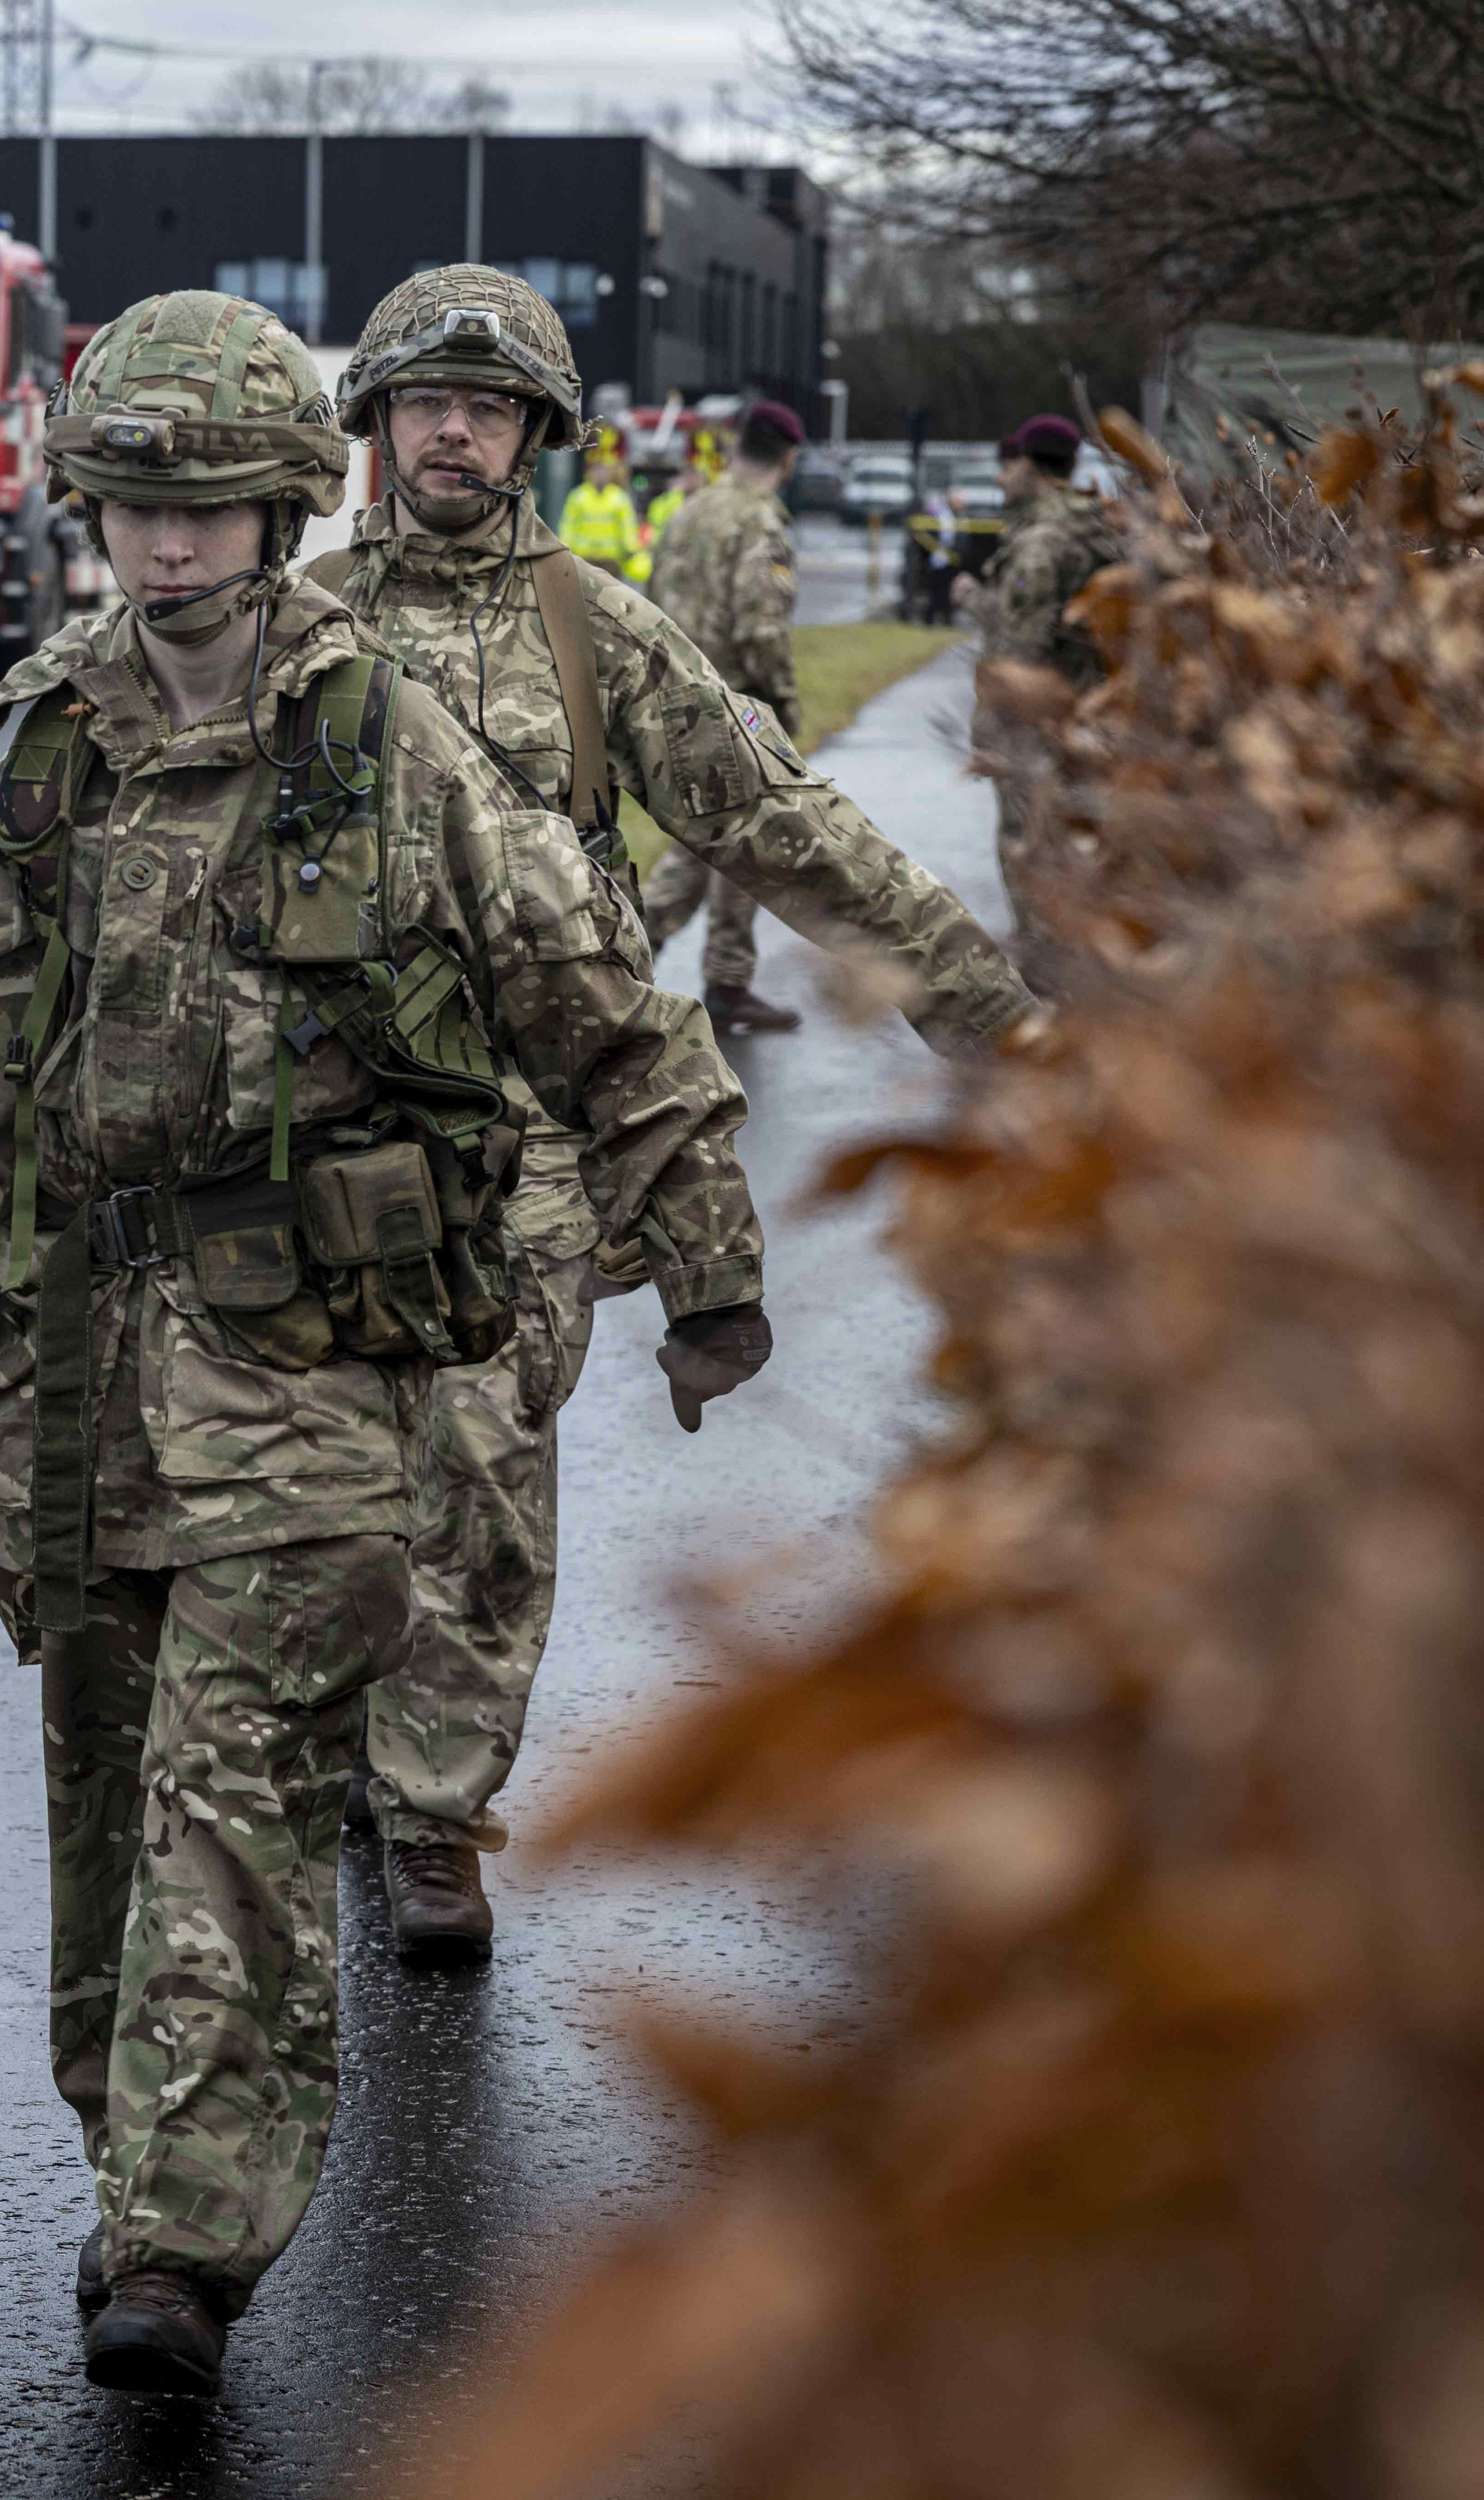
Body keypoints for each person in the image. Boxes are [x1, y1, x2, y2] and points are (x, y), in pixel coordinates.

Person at [0, 288, 769, 2398]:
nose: (168, 551)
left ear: (283, 508)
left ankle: (190, 2238)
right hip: (77, 1368)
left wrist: (705, 1257)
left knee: (241, 1786)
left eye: (212, 511)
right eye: (133, 512)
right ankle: (133, 2154)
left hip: (307, 1362)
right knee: (102, 1791)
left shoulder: (390, 743)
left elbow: (603, 1008)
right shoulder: (56, 742)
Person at [312, 267, 1039, 1962]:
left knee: (483, 1467)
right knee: (329, 1482)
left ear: (536, 436)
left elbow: (789, 832)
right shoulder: (295, 627)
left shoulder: (593, 630)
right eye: (423, 399)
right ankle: (351, 1736)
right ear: (370, 421)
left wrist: (988, 1017)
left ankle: (430, 1804)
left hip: (518, 1140)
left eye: (486, 406)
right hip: (305, 1134)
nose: (451, 428)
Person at [641, 396, 812, 1026]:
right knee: (745, 844)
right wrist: (786, 711)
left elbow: (652, 602)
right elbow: (762, 630)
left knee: (708, 839)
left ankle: (639, 954)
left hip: (676, 704)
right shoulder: (760, 524)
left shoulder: (690, 512)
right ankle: (720, 978)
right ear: (789, 458)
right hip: (738, 711)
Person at [977, 412, 1126, 992]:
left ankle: (1045, 983)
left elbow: (1019, 648)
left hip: (1033, 724)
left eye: (1008, 465)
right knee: (1074, 841)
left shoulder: (1043, 540)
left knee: (1028, 844)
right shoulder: (1097, 527)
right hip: (1088, 711)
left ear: (1030, 466)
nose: (1000, 479)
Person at [557, 427, 651, 583]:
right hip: (584, 559)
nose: (601, 474)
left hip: (611, 561)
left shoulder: (619, 498)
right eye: (597, 470)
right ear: (589, 473)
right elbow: (568, 525)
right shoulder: (578, 497)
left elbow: (627, 526)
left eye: (604, 470)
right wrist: (565, 550)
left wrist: (631, 550)